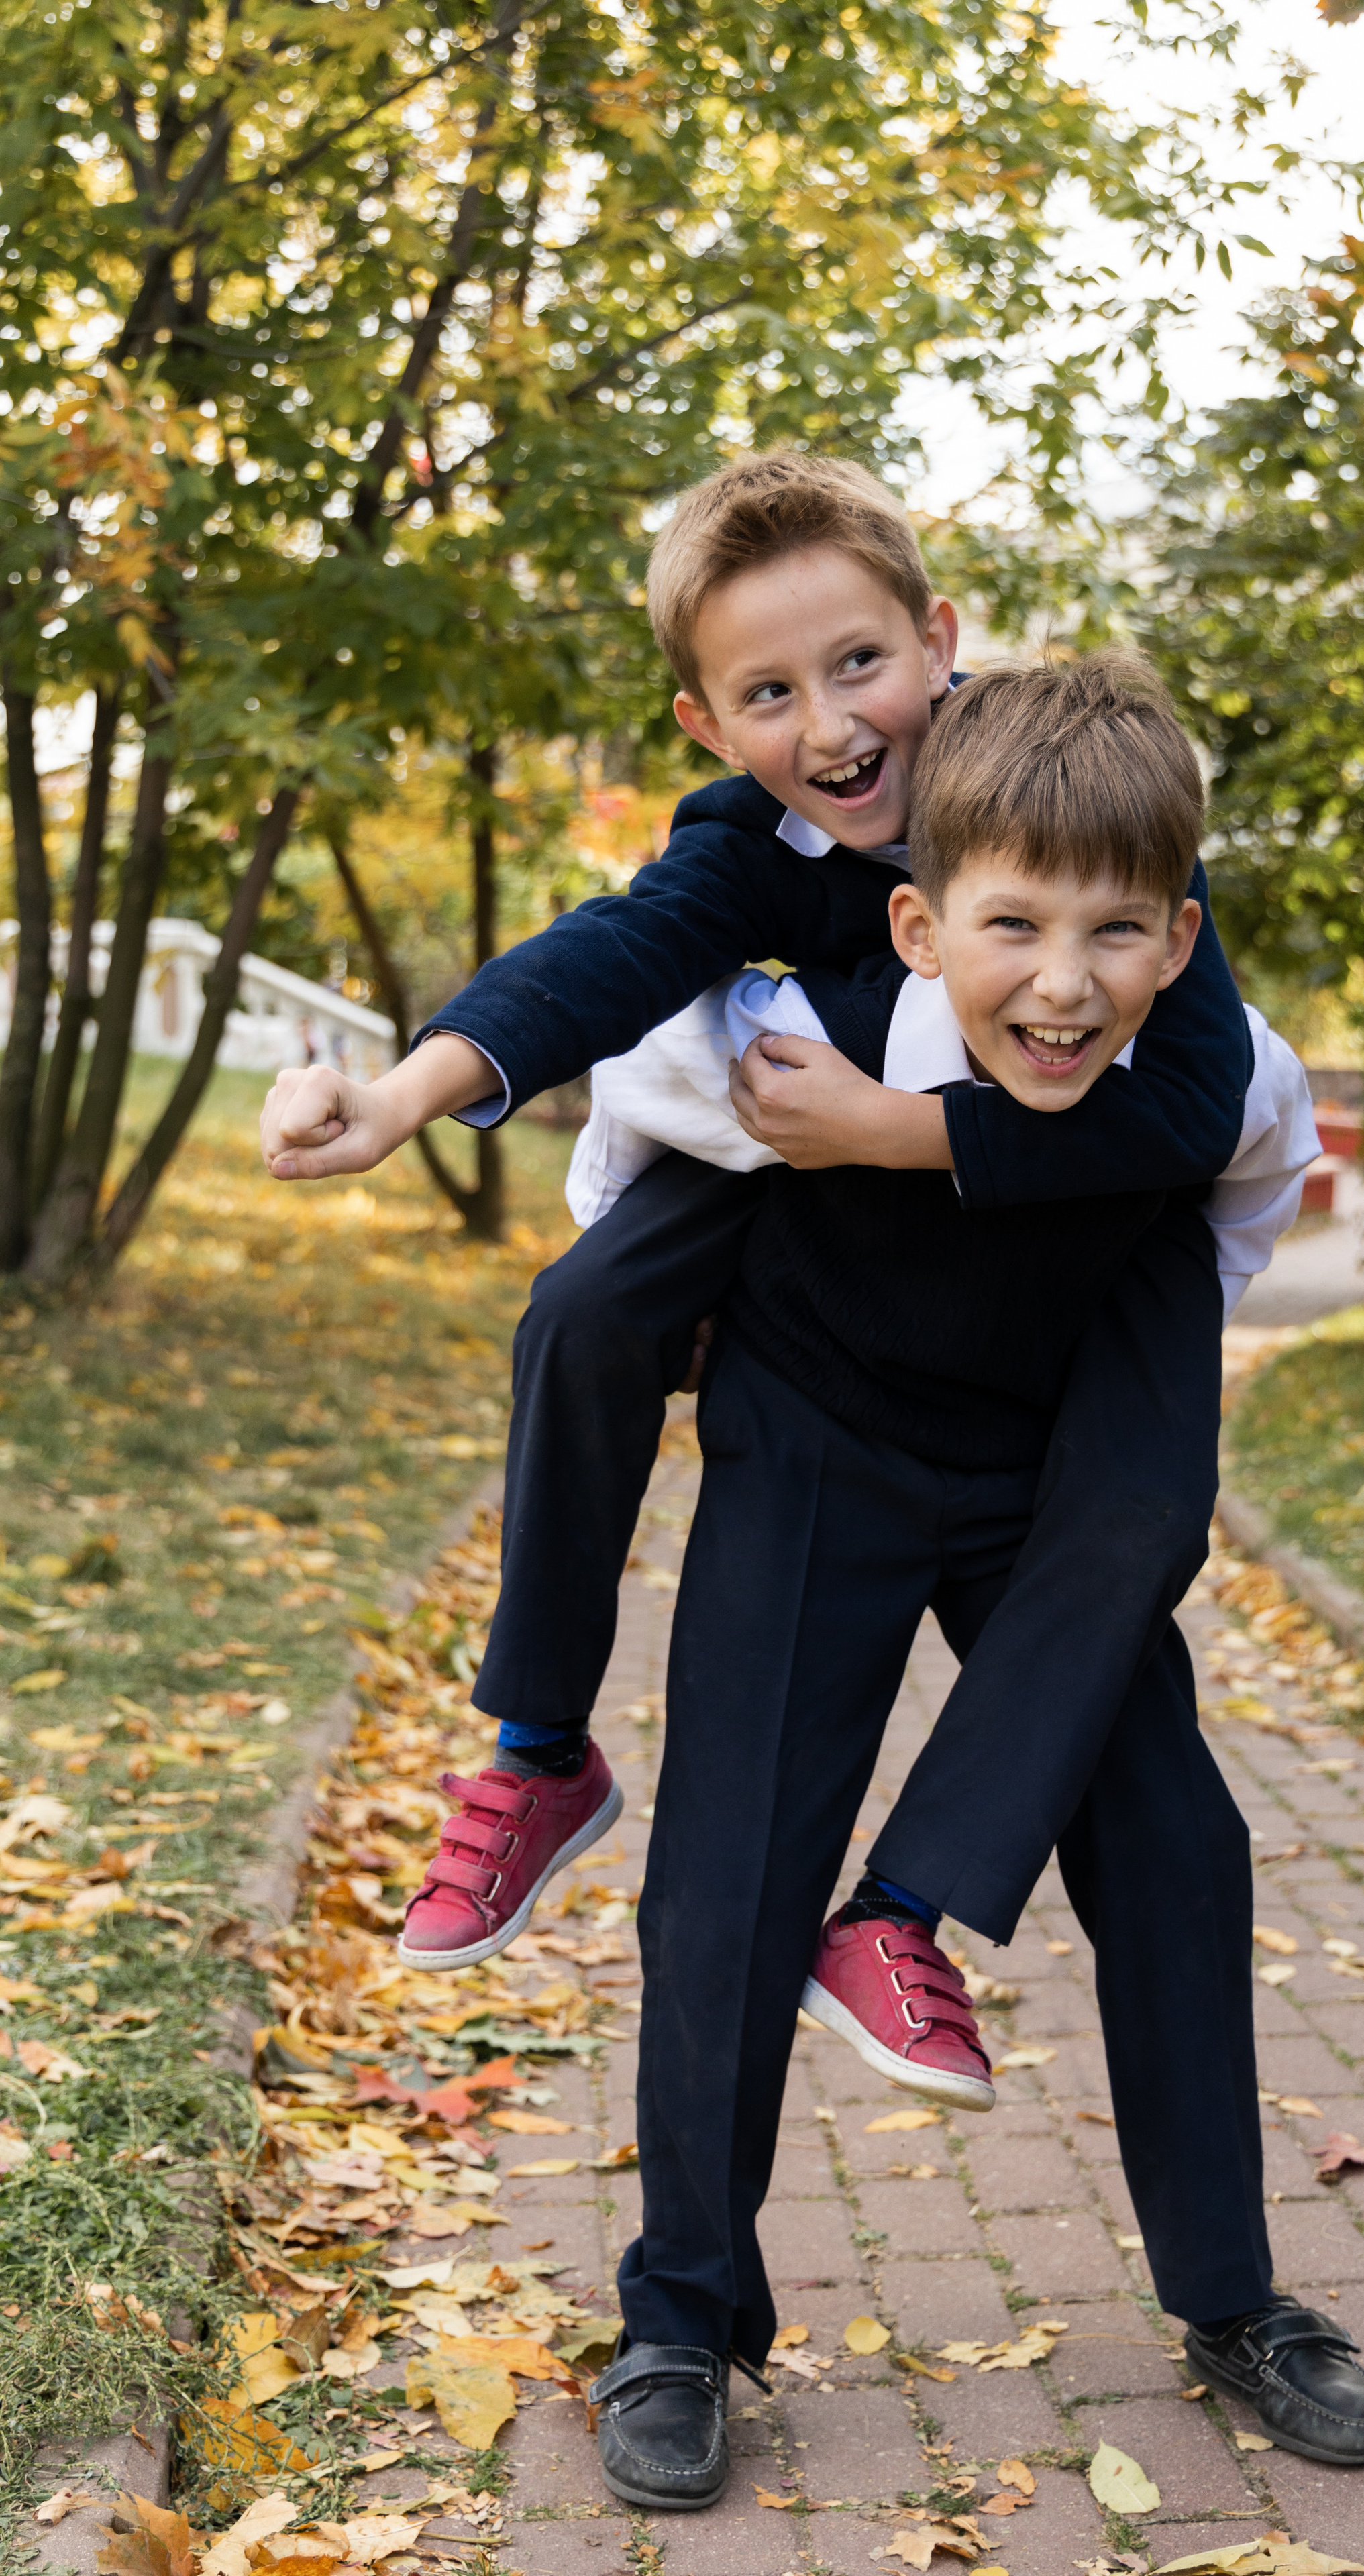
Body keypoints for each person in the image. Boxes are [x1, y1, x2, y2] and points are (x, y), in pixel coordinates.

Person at [258, 452, 1253, 1980]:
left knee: (1134, 1533)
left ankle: (904, 1910)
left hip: (1034, 1219)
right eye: (770, 695)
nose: (835, 727)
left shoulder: (1059, 788)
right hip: (760, 1168)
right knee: (578, 1315)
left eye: (858, 665)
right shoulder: (744, 843)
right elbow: (606, 957)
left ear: (936, 637)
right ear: (707, 725)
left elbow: (1189, 1095)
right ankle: (538, 1751)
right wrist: (399, 1100)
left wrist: (892, 1131)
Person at [588, 659, 1364, 2511]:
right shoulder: (809, 1023)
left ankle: (1233, 2298)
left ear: (1179, 943)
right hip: (825, 1440)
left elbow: (1238, 1220)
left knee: (1178, 1848)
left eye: (1115, 935)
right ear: (923, 920)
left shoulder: (1219, 1071)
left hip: (1046, 1475)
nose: (1062, 983)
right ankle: (682, 2315)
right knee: (732, 1866)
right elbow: (633, 1136)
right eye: (1014, 925)